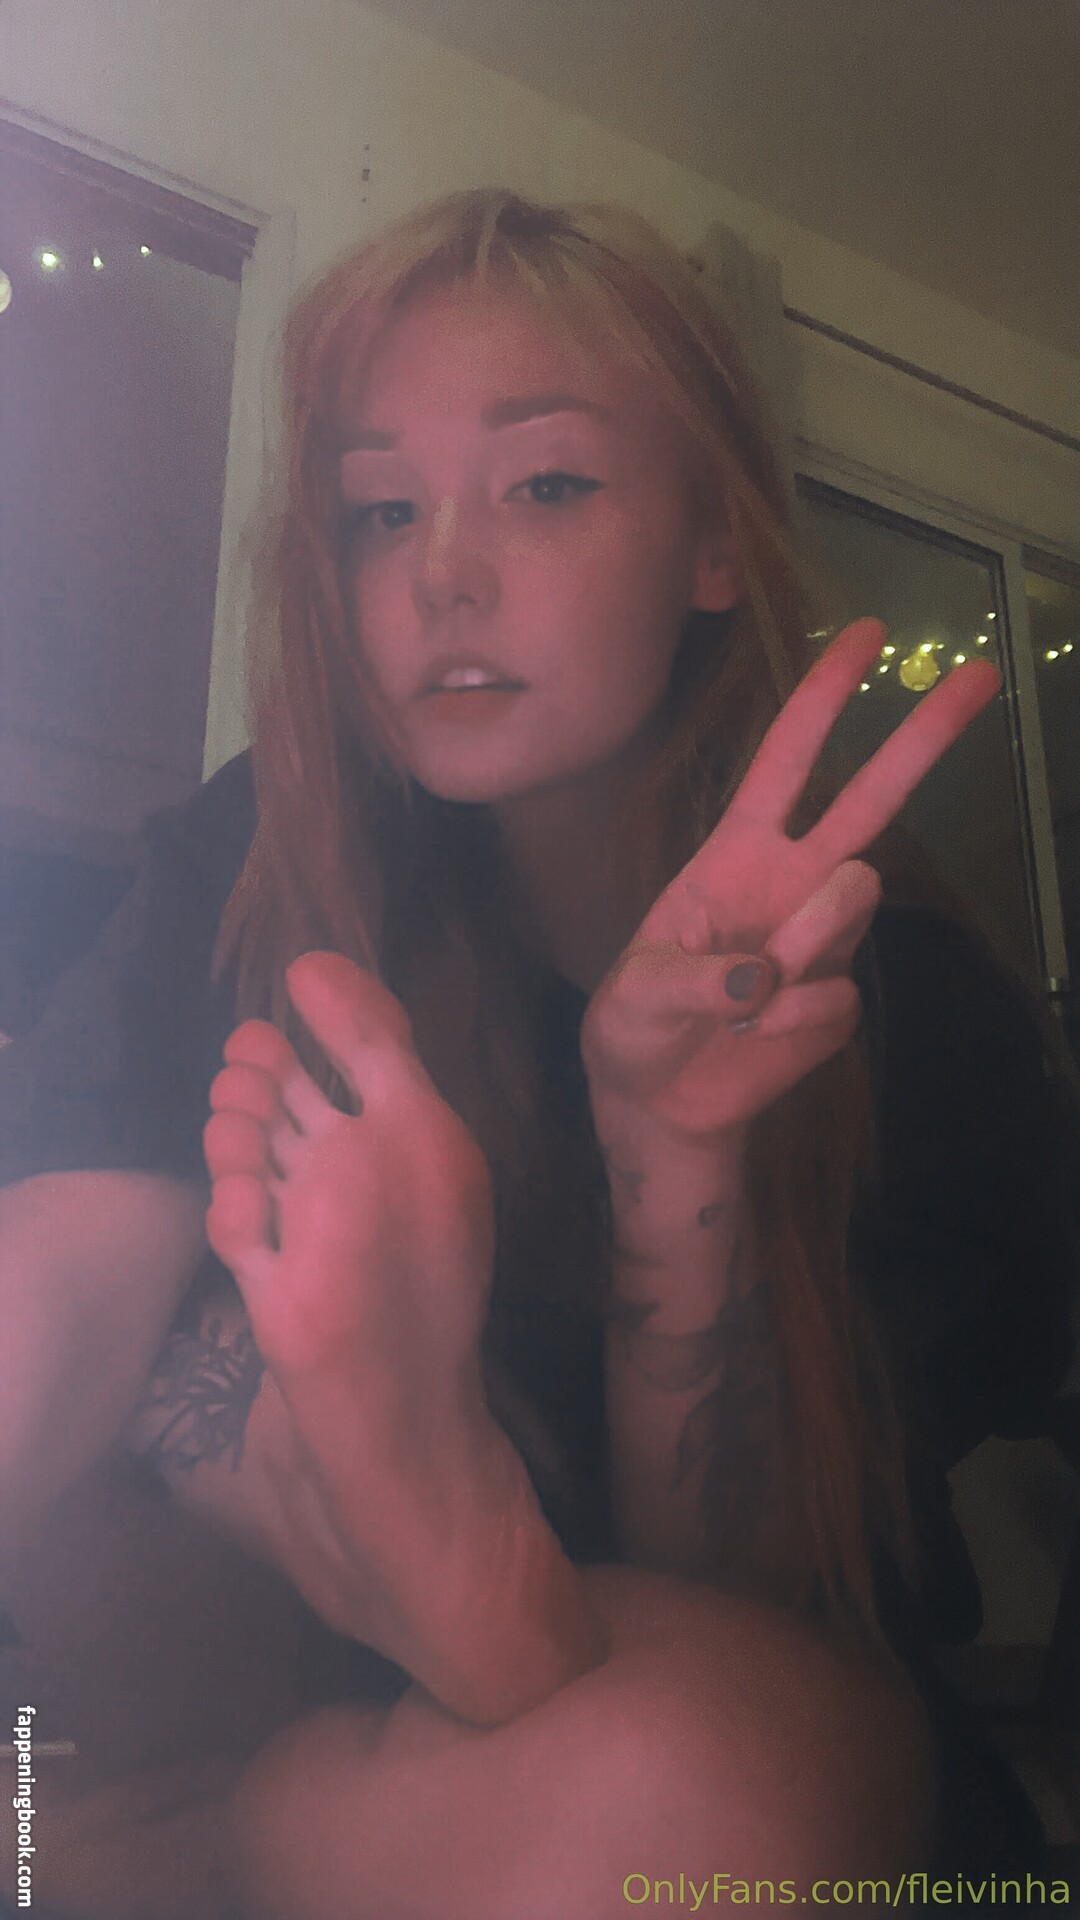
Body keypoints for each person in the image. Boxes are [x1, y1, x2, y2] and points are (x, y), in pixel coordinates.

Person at [0, 189, 1075, 1920]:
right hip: (361, 1723)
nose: (442, 573)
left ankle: (217, 1799)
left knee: (678, 1809)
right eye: (380, 511)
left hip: (750, 1712)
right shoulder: (283, 845)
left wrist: (673, 1160)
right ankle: (345, 1549)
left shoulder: (905, 998)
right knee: (132, 1374)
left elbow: (746, 1592)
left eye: (548, 485)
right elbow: (54, 1277)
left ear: (712, 543)